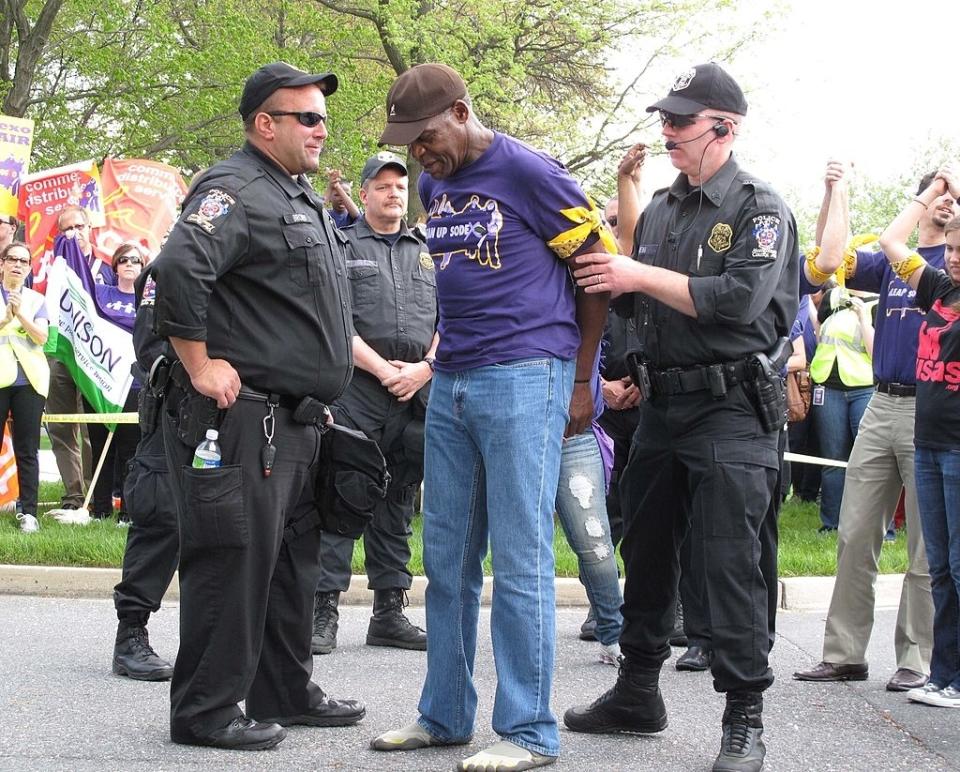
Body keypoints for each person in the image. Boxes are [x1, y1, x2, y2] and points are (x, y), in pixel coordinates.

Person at [369, 62, 612, 771]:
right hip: (454, 380)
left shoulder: (534, 173)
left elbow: (595, 271)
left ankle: (529, 731)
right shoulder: (432, 182)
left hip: (527, 373)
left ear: (462, 111)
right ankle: (443, 715)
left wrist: (581, 380)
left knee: (521, 557)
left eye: (426, 136)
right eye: (409, 143)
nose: (420, 153)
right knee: (445, 559)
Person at [562, 63, 799, 772]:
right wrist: (604, 267)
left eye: (682, 122)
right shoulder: (664, 207)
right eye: (665, 119)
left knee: (727, 564)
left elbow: (736, 302)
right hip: (665, 404)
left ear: (725, 128)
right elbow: (640, 303)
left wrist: (634, 274)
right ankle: (637, 692)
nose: (668, 131)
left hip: (732, 410)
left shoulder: (759, 208)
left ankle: (744, 718)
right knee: (650, 550)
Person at [151, 61, 364, 751]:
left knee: (289, 566)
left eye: (323, 117)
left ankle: (285, 689)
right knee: (235, 560)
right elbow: (180, 268)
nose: (320, 129)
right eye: (306, 117)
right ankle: (206, 711)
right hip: (245, 422)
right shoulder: (235, 187)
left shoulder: (295, 196)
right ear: (264, 123)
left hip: (296, 421)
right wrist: (198, 362)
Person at [793, 168, 956, 692]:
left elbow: (895, 240)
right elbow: (829, 254)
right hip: (882, 403)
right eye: (939, 193)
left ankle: (918, 657)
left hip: (930, 411)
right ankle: (844, 654)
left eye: (953, 194)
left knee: (927, 548)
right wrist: (832, 194)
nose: (945, 201)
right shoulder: (890, 262)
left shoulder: (948, 268)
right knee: (854, 533)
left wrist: (942, 200)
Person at [312, 151, 436, 655]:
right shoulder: (340, 245)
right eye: (382, 186)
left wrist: (426, 368)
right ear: (363, 193)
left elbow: (453, 317)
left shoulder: (428, 250)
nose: (392, 193)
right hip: (360, 390)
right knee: (344, 495)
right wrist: (385, 370)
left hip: (416, 389)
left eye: (399, 186)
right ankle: (322, 612)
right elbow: (334, 322)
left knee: (397, 501)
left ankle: (390, 610)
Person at [878, 165, 960, 707]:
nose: (953, 257)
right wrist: (930, 193)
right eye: (951, 248)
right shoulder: (935, 286)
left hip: (957, 448)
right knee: (943, 570)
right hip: (927, 443)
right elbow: (890, 241)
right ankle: (944, 677)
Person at [111, 263, 178, 682]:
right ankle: (131, 633)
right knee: (159, 513)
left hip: (247, 408)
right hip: (179, 404)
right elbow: (151, 346)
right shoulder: (170, 265)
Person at [82, 243, 144, 520]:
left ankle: (127, 513)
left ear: (143, 268)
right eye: (124, 260)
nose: (129, 264)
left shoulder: (148, 299)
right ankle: (101, 509)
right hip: (101, 378)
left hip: (133, 384)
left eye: (135, 260)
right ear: (115, 266)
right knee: (100, 446)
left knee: (131, 449)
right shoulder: (101, 293)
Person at [808, 282, 876, 532]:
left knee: (872, 462)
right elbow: (819, 332)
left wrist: (862, 318)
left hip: (864, 387)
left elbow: (877, 352)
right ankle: (831, 524)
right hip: (828, 386)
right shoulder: (834, 296)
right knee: (833, 459)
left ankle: (878, 527)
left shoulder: (879, 302)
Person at [47, 206, 98, 511]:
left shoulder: (108, 267)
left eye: (79, 226)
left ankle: (95, 496)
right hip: (60, 355)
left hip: (95, 359)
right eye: (67, 229)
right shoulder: (50, 270)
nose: (74, 233)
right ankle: (73, 496)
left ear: (90, 228)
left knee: (94, 427)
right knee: (63, 427)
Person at [0, 241, 49, 533]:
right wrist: (5, 317)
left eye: (24, 261)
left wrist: (20, 316)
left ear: (29, 268)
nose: (18, 265)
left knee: (28, 448)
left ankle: (28, 512)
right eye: (12, 259)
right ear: (2, 263)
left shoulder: (35, 299)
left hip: (29, 381)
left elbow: (42, 337)